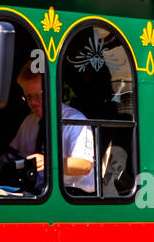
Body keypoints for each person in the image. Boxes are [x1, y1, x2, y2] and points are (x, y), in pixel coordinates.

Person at [8, 60, 95, 193]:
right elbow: (12, 154)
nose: (33, 102)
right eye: (28, 96)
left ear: (52, 90)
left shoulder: (74, 120)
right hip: (38, 192)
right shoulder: (29, 122)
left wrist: (49, 162)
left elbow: (84, 165)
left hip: (72, 195)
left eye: (38, 95)